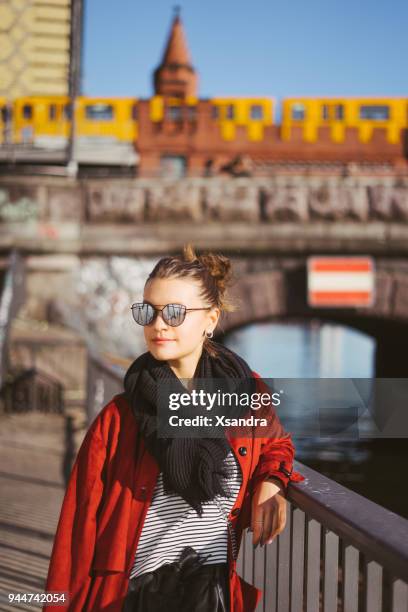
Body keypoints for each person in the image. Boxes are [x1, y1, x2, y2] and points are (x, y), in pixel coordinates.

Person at [43, 243, 305, 612]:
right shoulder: (120, 419)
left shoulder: (248, 393)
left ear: (211, 320)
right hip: (132, 594)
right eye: (148, 312)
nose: (158, 324)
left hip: (210, 589)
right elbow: (76, 531)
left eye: (175, 313)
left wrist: (271, 484)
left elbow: (277, 445)